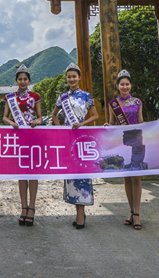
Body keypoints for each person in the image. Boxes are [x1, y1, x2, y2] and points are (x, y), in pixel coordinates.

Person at [52, 62, 99, 229]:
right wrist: (60, 130)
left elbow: (95, 116)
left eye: (74, 76)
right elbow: (54, 116)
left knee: (83, 173)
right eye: (69, 76)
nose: (71, 79)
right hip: (68, 139)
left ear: (79, 77)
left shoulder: (86, 96)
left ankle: (81, 213)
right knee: (72, 174)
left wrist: (82, 123)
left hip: (82, 139)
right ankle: (78, 210)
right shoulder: (62, 97)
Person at [2, 64, 42, 226]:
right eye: (20, 79)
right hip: (18, 137)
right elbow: (5, 117)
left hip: (32, 137)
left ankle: (32, 207)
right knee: (21, 173)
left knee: (32, 173)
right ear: (16, 81)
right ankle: (23, 207)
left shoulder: (35, 96)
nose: (23, 81)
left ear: (29, 80)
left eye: (25, 79)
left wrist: (36, 122)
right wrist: (12, 122)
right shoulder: (10, 97)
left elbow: (40, 118)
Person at [107, 68, 145, 230]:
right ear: (117, 86)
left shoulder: (137, 102)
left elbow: (142, 122)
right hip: (123, 144)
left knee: (136, 177)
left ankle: (136, 214)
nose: (124, 87)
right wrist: (107, 127)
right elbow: (112, 124)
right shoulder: (113, 104)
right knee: (126, 178)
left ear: (131, 85)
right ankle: (131, 211)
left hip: (136, 142)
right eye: (121, 84)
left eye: (127, 84)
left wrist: (158, 124)